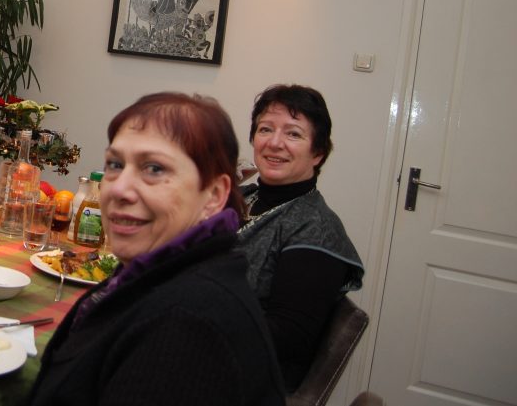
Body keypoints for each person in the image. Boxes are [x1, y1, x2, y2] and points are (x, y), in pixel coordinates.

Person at [29, 93, 284, 406]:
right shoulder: (157, 270)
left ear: (214, 195)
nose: (119, 189)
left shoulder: (189, 326)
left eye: (154, 169)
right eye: (115, 164)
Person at [238, 84, 363, 391]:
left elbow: (286, 337)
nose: (274, 143)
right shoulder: (243, 197)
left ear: (318, 153)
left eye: (293, 134)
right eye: (265, 129)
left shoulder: (316, 229)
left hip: (249, 379)